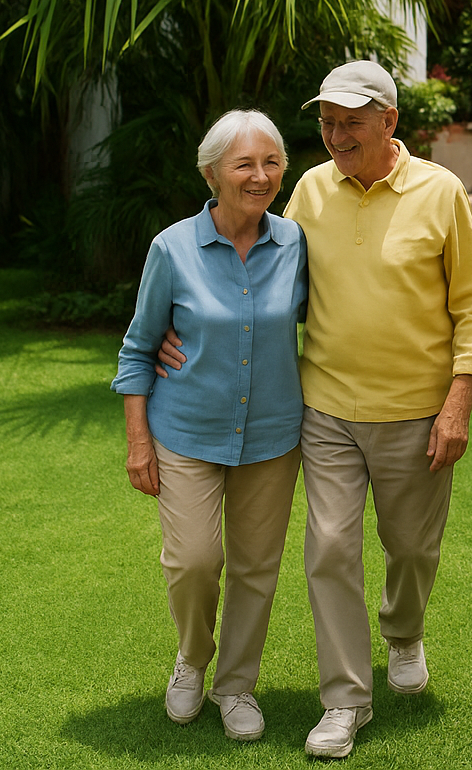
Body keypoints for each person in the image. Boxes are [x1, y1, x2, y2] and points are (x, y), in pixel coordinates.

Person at [159, 60, 472, 759]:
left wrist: (458, 401)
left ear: (389, 122)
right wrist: (187, 327)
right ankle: (345, 702)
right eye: (327, 121)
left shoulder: (441, 192)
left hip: (417, 411)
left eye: (351, 120)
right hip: (326, 410)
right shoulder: (310, 190)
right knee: (332, 551)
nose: (336, 133)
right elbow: (262, 271)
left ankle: (403, 633)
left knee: (411, 549)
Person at [113, 109, 308, 744]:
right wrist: (138, 441)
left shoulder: (297, 244)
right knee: (194, 560)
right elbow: (139, 348)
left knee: (257, 566)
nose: (261, 175)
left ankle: (236, 684)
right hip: (186, 433)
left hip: (273, 435)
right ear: (212, 173)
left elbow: (332, 321)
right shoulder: (171, 248)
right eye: (244, 164)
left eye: (272, 162)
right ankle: (192, 659)